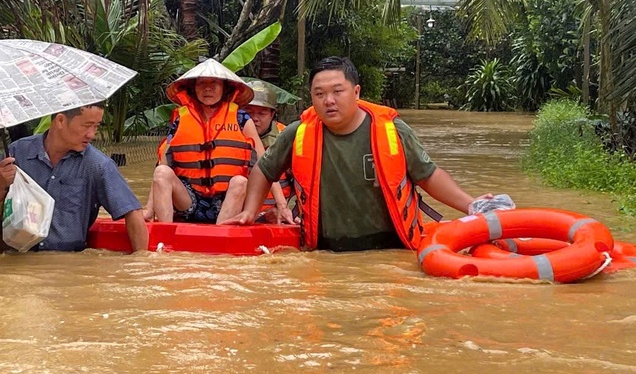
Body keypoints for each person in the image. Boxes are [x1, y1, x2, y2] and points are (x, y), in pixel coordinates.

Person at [225, 57, 491, 251]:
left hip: (391, 249)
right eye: (319, 94)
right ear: (312, 97)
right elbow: (263, 169)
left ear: (356, 92)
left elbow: (428, 175)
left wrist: (472, 205)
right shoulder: (297, 134)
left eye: (337, 91)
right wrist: (250, 210)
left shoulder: (392, 131)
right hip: (325, 252)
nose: (328, 100)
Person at [0, 103, 148, 253]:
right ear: (60, 121)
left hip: (62, 260)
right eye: (86, 126)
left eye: (96, 126)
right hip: (12, 254)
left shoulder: (97, 165)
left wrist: (140, 263)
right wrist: (1, 182)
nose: (92, 134)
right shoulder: (18, 152)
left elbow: (133, 213)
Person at [142, 59, 284, 224]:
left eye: (214, 83)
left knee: (240, 181)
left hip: (226, 201)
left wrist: (281, 205)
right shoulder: (181, 118)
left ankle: (220, 236)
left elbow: (264, 165)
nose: (207, 88)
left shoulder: (241, 118)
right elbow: (163, 165)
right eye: (201, 83)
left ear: (225, 87)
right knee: (161, 173)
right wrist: (149, 208)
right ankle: (164, 237)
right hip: (189, 201)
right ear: (193, 88)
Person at [243, 80, 297, 224]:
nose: (254, 118)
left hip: (280, 218)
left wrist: (290, 211)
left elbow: (303, 184)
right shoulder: (229, 134)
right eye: (248, 112)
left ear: (272, 114)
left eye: (261, 113)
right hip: (241, 216)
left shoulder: (286, 137)